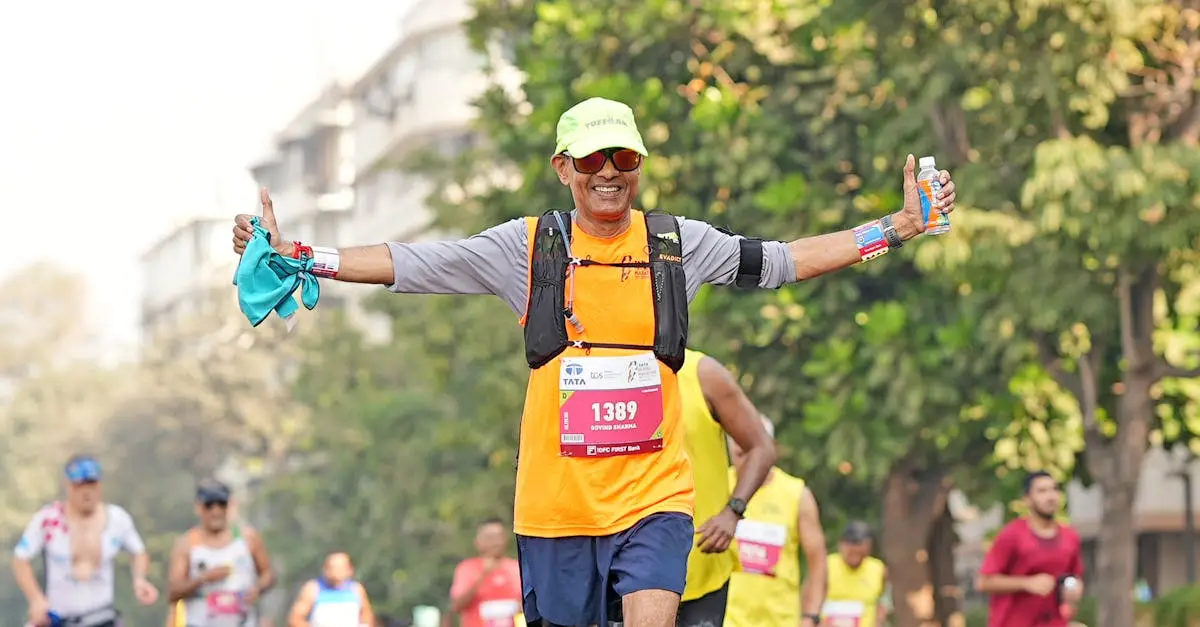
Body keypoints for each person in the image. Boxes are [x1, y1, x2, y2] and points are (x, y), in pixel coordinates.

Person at [230, 97, 958, 627]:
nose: (610, 173)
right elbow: (411, 263)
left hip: (655, 497)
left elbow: (784, 261)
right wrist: (299, 254)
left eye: (625, 158)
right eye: (592, 159)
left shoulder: (678, 243)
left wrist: (894, 228)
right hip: (556, 508)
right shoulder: (527, 247)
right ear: (564, 168)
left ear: (639, 165)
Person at [676, 349, 776, 627]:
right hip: (628, 571)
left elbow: (761, 447)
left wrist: (732, 512)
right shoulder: (604, 368)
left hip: (702, 567)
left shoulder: (703, 374)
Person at [12, 454, 158, 627]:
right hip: (60, 618)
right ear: (68, 486)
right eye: (79, 485)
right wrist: (36, 598)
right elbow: (20, 558)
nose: (86, 492)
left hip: (103, 617)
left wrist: (139, 579)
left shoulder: (117, 519)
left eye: (91, 484)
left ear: (100, 486)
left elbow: (138, 552)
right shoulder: (48, 519)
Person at [723, 417, 827, 627]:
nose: (745, 462)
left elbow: (817, 562)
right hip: (728, 620)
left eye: (751, 452)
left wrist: (811, 616)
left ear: (769, 449)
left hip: (781, 620)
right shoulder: (720, 486)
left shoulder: (796, 494)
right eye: (738, 454)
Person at [976, 471, 1084, 627]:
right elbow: (983, 582)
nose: (1051, 496)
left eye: (1054, 489)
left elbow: (1075, 576)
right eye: (1042, 491)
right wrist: (1026, 583)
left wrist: (1074, 591)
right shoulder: (1012, 535)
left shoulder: (1070, 537)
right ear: (1027, 499)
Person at [168, 478, 275, 626]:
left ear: (229, 505)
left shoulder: (248, 538)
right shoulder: (187, 544)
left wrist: (258, 588)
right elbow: (173, 593)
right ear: (198, 507)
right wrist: (203, 579)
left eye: (221, 504)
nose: (216, 511)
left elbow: (268, 574)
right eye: (209, 505)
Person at [450, 518, 523, 627]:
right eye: (490, 537)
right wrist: (483, 575)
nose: (495, 542)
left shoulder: (516, 567)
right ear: (477, 541)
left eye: (499, 536)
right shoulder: (467, 568)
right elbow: (457, 605)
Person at [824, 521, 889, 627]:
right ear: (841, 545)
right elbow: (809, 598)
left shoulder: (878, 569)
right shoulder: (826, 566)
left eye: (860, 552)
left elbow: (884, 601)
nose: (855, 556)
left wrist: (879, 621)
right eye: (851, 550)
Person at [286, 552, 376, 627]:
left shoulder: (356, 589)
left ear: (350, 570)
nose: (336, 572)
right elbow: (295, 619)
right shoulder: (313, 589)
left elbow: (367, 616)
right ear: (325, 570)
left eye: (341, 568)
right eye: (332, 567)